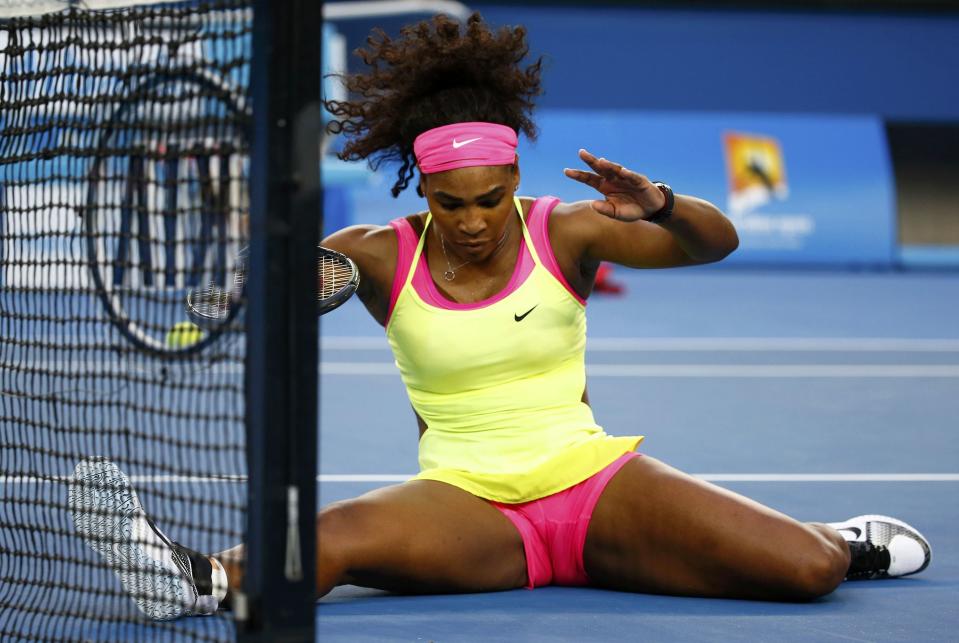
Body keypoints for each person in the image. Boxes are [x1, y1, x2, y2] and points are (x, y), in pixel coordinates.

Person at [68, 13, 930, 620]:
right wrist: (266, 286)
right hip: (464, 504)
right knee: (333, 537)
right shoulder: (375, 252)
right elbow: (309, 279)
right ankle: (196, 578)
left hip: (594, 486)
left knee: (809, 570)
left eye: (490, 197)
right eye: (451, 203)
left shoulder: (569, 230)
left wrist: (663, 203)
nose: (474, 219)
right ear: (420, 187)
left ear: (514, 179)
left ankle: (834, 535)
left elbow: (716, 242)